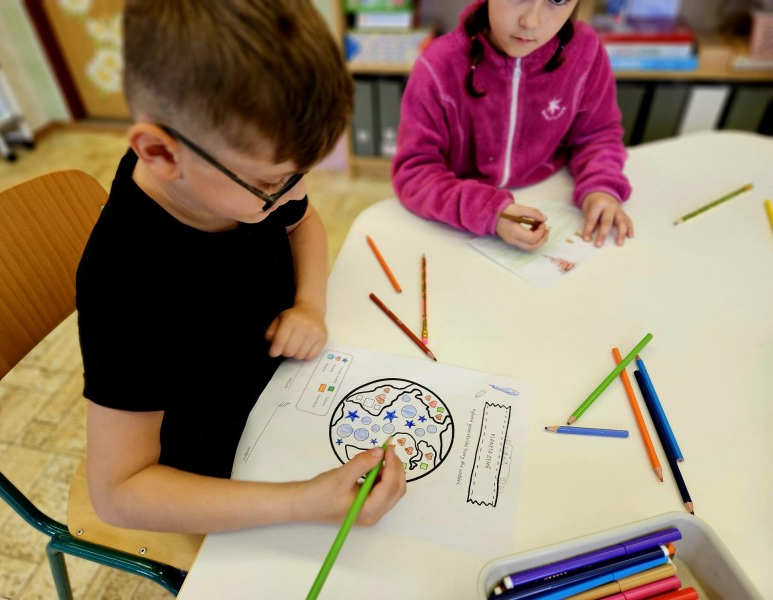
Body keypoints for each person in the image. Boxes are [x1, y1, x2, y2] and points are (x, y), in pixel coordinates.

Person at [76, 0, 405, 535]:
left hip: (289, 390)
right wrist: (300, 503)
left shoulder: (229, 175)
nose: (292, 193)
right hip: (217, 468)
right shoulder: (125, 281)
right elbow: (119, 493)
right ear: (161, 153)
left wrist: (309, 305)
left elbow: (303, 221)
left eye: (301, 173)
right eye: (273, 182)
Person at [392, 0, 634, 250]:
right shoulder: (438, 65)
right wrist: (487, 211)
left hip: (552, 193)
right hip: (456, 230)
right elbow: (414, 173)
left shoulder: (586, 51)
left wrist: (601, 185)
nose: (530, 21)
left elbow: (597, 135)